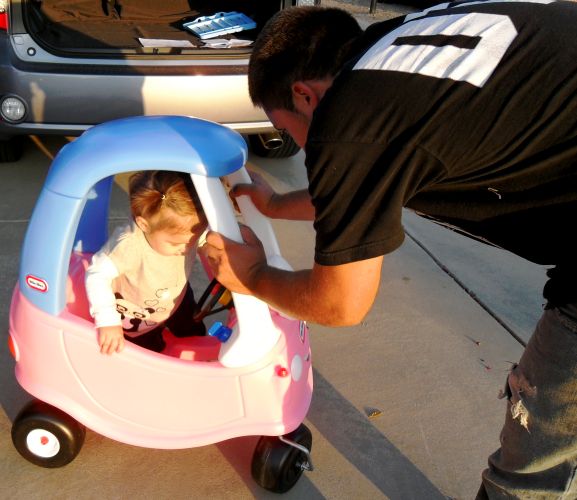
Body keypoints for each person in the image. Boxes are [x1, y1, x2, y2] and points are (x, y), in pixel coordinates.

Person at [198, 1, 577, 498]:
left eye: (285, 129)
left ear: (304, 96)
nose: (298, 146)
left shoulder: (350, 119)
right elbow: (365, 180)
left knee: (535, 447)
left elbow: (341, 303)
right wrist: (276, 203)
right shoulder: (393, 49)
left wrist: (249, 275)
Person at [86, 170, 207, 354]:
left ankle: (200, 352)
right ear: (144, 225)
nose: (187, 248)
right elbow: (97, 276)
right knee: (151, 351)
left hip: (178, 297)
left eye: (195, 238)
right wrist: (107, 320)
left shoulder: (188, 230)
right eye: (176, 243)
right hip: (140, 314)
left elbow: (208, 238)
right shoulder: (129, 244)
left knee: (195, 331)